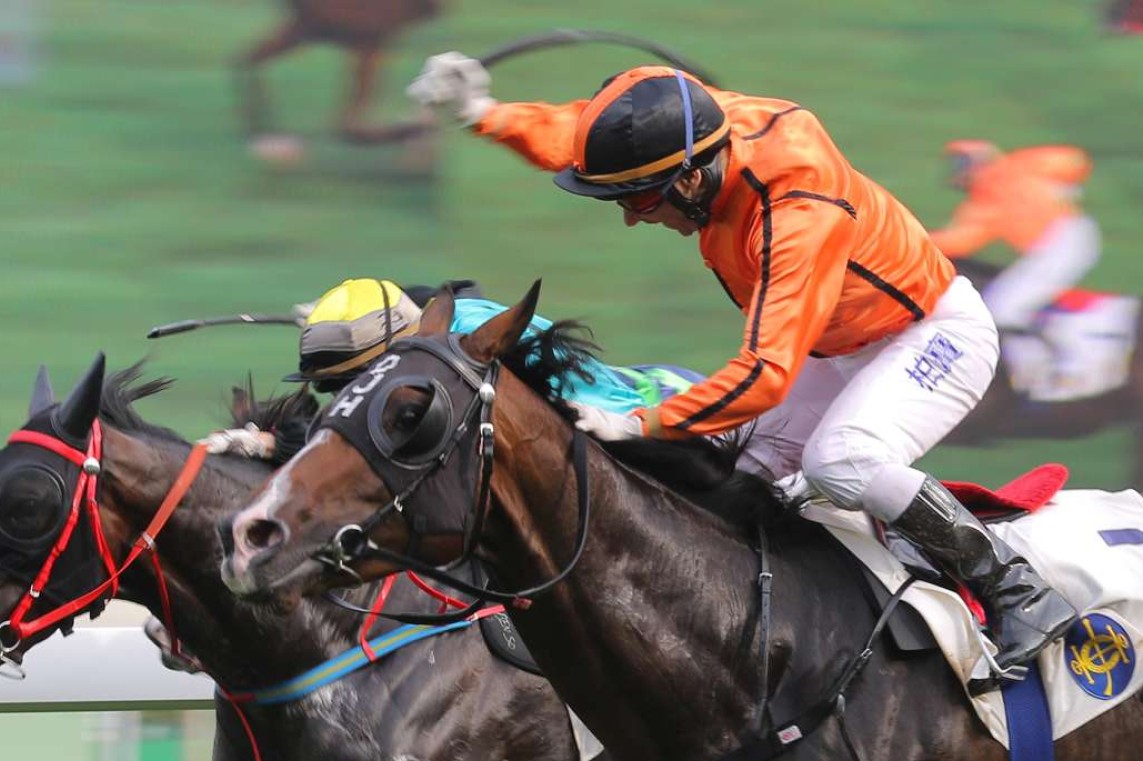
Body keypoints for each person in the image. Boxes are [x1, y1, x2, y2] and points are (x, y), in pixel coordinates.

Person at [406, 56, 1076, 681]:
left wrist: (638, 421)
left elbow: (766, 374)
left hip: (932, 337)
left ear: (691, 179)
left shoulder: (797, 212)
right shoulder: (702, 124)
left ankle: (1017, 590)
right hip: (839, 348)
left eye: (640, 201)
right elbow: (591, 130)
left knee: (840, 462)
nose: (633, 223)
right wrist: (485, 112)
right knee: (726, 486)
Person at [204, 277, 700, 464]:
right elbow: (432, 294)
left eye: (351, 380)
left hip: (673, 414)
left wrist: (273, 443)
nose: (346, 396)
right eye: (337, 387)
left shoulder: (466, 357)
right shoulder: (430, 330)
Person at [930, 140, 1100, 399]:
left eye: (961, 165)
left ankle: (1048, 373)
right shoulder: (1016, 173)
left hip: (1063, 242)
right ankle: (1049, 364)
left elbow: (955, 242)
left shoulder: (989, 199)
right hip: (1066, 239)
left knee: (1004, 309)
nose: (958, 172)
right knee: (1008, 304)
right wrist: (1067, 185)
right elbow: (1076, 160)